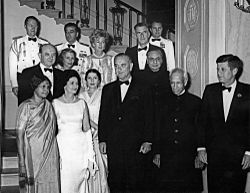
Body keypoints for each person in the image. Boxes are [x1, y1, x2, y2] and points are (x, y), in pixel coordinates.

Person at [98, 53, 153, 192]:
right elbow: (103, 116)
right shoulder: (108, 89)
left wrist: (148, 140)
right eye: (116, 66)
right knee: (116, 181)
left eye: (123, 65)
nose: (119, 69)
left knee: (136, 182)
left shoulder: (144, 88)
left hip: (136, 145)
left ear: (131, 66)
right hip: (114, 144)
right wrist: (102, 139)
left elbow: (150, 116)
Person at [197, 54, 250, 193]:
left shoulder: (248, 92)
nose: (219, 73)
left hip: (238, 156)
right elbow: (202, 121)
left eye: (222, 69)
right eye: (218, 69)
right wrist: (201, 147)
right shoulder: (210, 90)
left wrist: (249, 152)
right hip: (214, 155)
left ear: (234, 71)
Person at [153, 68, 203, 192]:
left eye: (178, 83)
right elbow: (157, 128)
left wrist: (199, 154)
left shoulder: (196, 102)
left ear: (185, 82)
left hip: (188, 156)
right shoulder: (161, 101)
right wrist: (157, 152)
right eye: (172, 83)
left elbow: (201, 129)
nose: (175, 86)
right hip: (167, 156)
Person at [53, 70, 97, 193]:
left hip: (80, 149)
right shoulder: (55, 103)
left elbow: (87, 130)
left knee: (80, 184)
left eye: (77, 83)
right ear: (64, 85)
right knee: (66, 183)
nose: (75, 86)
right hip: (64, 150)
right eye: (72, 83)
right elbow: (52, 131)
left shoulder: (82, 103)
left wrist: (90, 154)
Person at [16, 75, 60, 193]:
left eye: (48, 87)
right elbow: (19, 135)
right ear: (35, 87)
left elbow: (53, 130)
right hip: (32, 152)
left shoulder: (49, 106)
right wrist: (21, 161)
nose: (46, 90)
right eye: (43, 86)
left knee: (49, 181)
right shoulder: (25, 106)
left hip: (49, 151)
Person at [136, 48, 171, 191]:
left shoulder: (170, 77)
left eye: (158, 59)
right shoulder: (138, 77)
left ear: (162, 61)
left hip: (164, 129)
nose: (155, 62)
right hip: (144, 130)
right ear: (146, 60)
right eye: (151, 59)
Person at [79, 69, 109, 193]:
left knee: (101, 166)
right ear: (85, 80)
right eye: (89, 78)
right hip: (86, 134)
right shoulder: (81, 96)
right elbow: (81, 115)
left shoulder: (104, 93)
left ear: (99, 80)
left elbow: (107, 114)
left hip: (100, 133)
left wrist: (100, 129)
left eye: (95, 78)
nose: (92, 81)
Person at [9, 16, 48, 104]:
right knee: (24, 105)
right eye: (30, 25)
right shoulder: (17, 43)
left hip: (40, 78)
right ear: (25, 26)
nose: (33, 28)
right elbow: (12, 65)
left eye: (35, 26)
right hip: (23, 79)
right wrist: (14, 84)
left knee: (41, 105)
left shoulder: (45, 44)